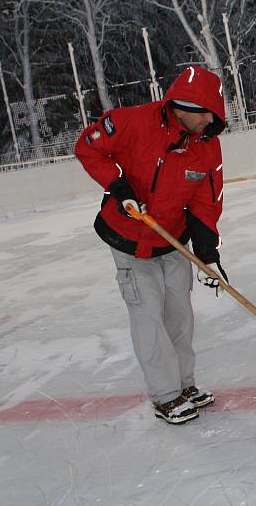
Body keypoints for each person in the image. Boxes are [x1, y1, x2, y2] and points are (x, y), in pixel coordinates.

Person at [75, 66, 229, 424]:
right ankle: (165, 395)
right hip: (128, 237)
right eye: (206, 113)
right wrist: (120, 187)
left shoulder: (208, 145)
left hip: (173, 240)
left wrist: (208, 255)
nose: (211, 120)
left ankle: (184, 385)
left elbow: (207, 201)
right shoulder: (132, 122)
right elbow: (87, 147)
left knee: (180, 317)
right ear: (185, 106)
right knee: (148, 319)